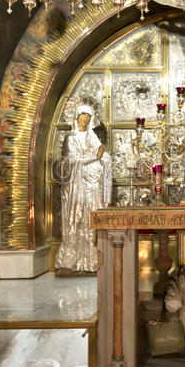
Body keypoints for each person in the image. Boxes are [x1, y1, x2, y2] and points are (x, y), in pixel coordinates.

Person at [55, 105, 112, 274]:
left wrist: (104, 159)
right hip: (76, 186)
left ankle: (90, 258)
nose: (86, 118)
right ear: (77, 116)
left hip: (92, 186)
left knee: (91, 217)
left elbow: (102, 155)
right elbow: (73, 160)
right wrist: (95, 157)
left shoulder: (92, 137)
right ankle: (72, 258)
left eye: (89, 115)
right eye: (83, 115)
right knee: (77, 218)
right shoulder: (71, 138)